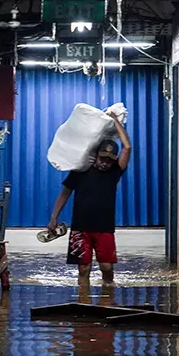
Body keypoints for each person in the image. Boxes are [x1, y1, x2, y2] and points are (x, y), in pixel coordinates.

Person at [46, 117, 132, 284]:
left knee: (106, 267)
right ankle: (83, 301)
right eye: (102, 158)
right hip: (80, 227)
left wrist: (114, 120)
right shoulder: (81, 170)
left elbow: (127, 147)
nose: (105, 163)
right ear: (96, 155)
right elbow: (65, 193)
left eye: (109, 160)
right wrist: (54, 217)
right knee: (83, 268)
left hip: (104, 227)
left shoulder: (115, 171)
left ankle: (108, 299)